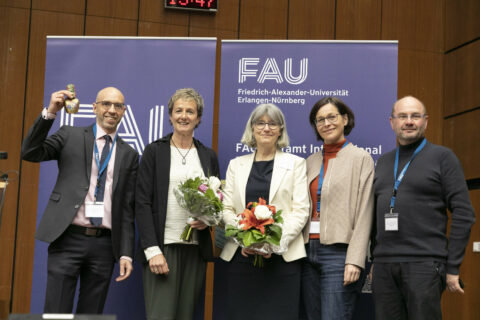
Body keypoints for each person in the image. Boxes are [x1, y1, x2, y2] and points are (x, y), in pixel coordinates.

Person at [21, 87, 138, 313]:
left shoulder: (129, 154)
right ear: (94, 108)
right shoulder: (69, 135)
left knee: (91, 315)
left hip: (104, 245)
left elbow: (126, 209)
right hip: (67, 238)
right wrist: (50, 113)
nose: (111, 110)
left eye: (117, 106)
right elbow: (30, 152)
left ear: (123, 111)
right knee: (56, 313)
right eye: (106, 104)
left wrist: (125, 252)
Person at [371, 96, 476, 319]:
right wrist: (374, 258)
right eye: (403, 116)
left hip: (424, 265)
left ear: (425, 122)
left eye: (415, 116)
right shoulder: (383, 162)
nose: (409, 121)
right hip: (384, 266)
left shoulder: (443, 157)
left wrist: (453, 267)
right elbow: (373, 214)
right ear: (392, 122)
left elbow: (464, 213)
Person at [135, 88, 219, 320]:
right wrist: (152, 251)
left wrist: (207, 220)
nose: (184, 116)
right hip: (163, 248)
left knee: (186, 316)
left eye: (190, 111)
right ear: (170, 116)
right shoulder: (154, 151)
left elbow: (217, 201)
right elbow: (141, 203)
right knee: (161, 315)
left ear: (198, 118)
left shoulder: (207, 155)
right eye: (178, 110)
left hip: (195, 250)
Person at [220, 103, 309, 320]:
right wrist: (245, 240)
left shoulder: (296, 164)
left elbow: (300, 211)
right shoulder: (235, 164)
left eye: (272, 123)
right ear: (252, 128)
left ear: (280, 130)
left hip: (281, 258)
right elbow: (227, 208)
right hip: (241, 257)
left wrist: (272, 243)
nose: (266, 128)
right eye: (260, 123)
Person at [300, 97, 374, 320]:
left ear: (345, 119)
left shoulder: (361, 158)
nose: (326, 123)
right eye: (320, 119)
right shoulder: (309, 161)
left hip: (339, 254)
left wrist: (355, 258)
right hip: (306, 252)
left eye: (332, 117)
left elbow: (365, 212)